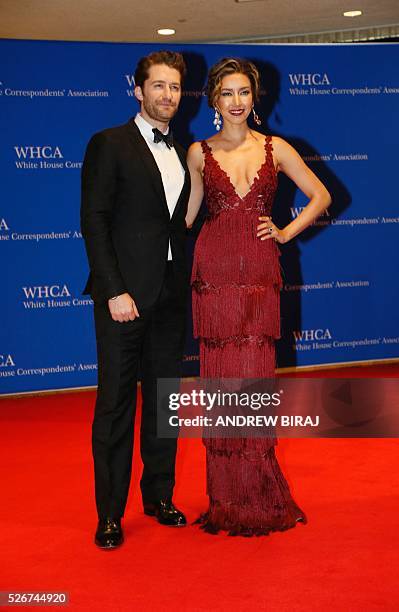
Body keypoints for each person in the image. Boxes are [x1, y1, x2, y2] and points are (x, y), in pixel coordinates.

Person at [186, 57, 331, 536]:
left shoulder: (276, 148)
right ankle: (227, 499)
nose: (236, 102)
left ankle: (260, 495)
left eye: (243, 92)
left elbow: (321, 195)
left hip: (259, 275)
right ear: (213, 101)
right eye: (226, 93)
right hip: (214, 273)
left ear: (256, 98)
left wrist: (287, 232)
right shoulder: (198, 152)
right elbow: (187, 216)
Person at [81, 50, 191, 549]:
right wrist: (114, 290)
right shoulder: (109, 143)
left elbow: (179, 224)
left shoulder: (181, 149)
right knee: (116, 407)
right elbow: (95, 220)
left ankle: (159, 496)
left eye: (174, 87)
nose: (167, 95)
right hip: (124, 299)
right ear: (138, 89)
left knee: (165, 405)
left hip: (169, 298)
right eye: (158, 86)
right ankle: (109, 514)